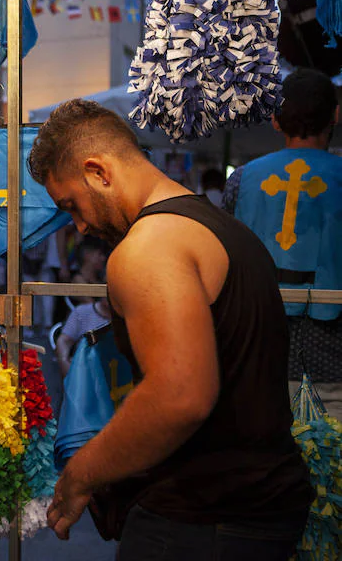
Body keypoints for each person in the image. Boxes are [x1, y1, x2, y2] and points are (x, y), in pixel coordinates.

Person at [32, 99, 313, 559]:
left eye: (72, 205)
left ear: (99, 171)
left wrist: (81, 473)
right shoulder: (219, 226)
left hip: (203, 519)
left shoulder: (147, 248)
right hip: (254, 508)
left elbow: (179, 397)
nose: (79, 226)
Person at [223, 68, 342, 420]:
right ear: (335, 116)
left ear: (274, 120)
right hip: (336, 363)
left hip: (259, 361)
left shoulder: (241, 180)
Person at [55, 299, 112, 378]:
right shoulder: (82, 312)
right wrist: (64, 361)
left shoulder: (130, 316)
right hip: (85, 373)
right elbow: (64, 340)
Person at [68, 237, 108, 305]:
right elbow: (92, 307)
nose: (103, 258)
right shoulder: (78, 280)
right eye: (100, 254)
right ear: (87, 255)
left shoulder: (101, 278)